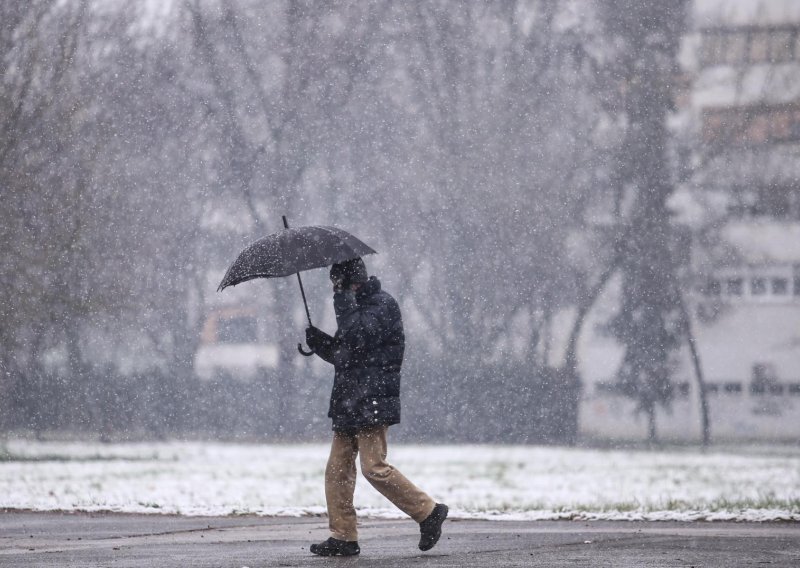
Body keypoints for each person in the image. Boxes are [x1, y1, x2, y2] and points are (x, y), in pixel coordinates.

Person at [304, 257, 448, 557]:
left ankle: (429, 512)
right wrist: (321, 344)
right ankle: (343, 536)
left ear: (352, 281)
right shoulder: (355, 307)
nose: (335, 290)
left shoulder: (382, 305)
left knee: (373, 468)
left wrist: (343, 302)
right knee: (337, 470)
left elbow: (358, 337)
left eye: (338, 284)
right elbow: (348, 356)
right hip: (349, 400)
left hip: (372, 400)